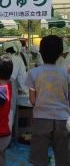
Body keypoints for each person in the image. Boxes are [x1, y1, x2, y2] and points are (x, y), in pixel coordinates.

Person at [26, 35, 70, 166]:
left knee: (39, 160)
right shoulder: (66, 74)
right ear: (60, 53)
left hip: (41, 119)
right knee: (63, 159)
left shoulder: (34, 73)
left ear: (40, 52)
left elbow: (33, 100)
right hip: (62, 120)